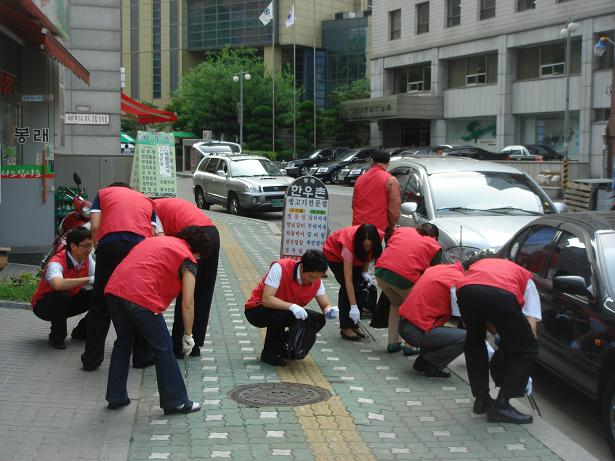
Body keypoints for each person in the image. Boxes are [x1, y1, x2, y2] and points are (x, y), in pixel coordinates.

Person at [104, 226, 209, 414]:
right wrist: (188, 334)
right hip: (141, 297)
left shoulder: (156, 241)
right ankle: (175, 400)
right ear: (198, 250)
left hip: (114, 291)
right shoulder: (188, 259)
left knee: (123, 343)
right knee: (163, 347)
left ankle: (116, 396)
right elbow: (188, 303)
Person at [81, 182, 157, 371]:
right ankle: (142, 356)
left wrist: (97, 246)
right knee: (139, 301)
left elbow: (96, 224)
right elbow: (153, 233)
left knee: (101, 300)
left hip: (110, 247)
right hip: (139, 250)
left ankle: (92, 359)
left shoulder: (103, 194)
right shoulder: (146, 200)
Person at [456, 256, 541, 424]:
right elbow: (530, 324)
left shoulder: (482, 265)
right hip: (500, 293)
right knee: (528, 349)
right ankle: (502, 406)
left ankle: (482, 400)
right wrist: (522, 369)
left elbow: (484, 316)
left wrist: (501, 337)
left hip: (466, 289)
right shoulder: (526, 279)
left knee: (474, 342)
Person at [244, 250, 338, 367]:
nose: (313, 281)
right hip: (257, 310)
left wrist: (329, 311)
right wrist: (292, 306)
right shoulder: (280, 267)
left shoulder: (316, 280)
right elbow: (267, 299)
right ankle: (269, 353)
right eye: (311, 276)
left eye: (317, 278)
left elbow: (324, 305)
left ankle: (282, 345)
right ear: (302, 267)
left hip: (285, 311)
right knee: (279, 315)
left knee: (317, 319)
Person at [153, 197, 220, 358]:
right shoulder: (165, 204)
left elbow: (158, 238)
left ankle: (178, 347)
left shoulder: (151, 210)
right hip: (213, 234)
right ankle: (195, 345)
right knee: (203, 293)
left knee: (186, 292)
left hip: (194, 236)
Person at [374, 223, 442, 354]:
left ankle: (393, 343)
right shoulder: (434, 245)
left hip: (381, 273)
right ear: (434, 236)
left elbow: (391, 249)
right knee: (415, 310)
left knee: (395, 304)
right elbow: (432, 274)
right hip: (404, 278)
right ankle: (410, 345)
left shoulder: (401, 231)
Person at [398, 263, 466, 378]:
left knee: (442, 329)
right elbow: (463, 314)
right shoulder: (458, 280)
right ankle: (428, 363)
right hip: (418, 330)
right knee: (469, 337)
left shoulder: (440, 268)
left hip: (405, 323)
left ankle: (426, 359)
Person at [31, 227, 94, 349]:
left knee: (100, 296)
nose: (90, 249)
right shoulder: (56, 262)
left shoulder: (88, 259)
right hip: (44, 306)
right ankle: (57, 338)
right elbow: (57, 284)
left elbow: (99, 277)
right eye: (86, 246)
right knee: (61, 296)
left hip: (68, 300)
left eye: (91, 245)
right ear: (73, 246)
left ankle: (81, 332)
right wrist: (88, 279)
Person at [323, 224, 384, 341]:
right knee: (347, 288)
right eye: (365, 246)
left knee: (361, 284)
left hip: (355, 255)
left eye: (369, 246)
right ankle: (345, 327)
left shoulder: (377, 237)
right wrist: (353, 307)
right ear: (359, 242)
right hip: (334, 254)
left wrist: (365, 272)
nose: (367, 248)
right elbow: (348, 280)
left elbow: (369, 255)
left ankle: (354, 324)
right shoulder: (349, 244)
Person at [352, 150, 400, 240]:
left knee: (359, 250)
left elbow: (354, 203)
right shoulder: (390, 180)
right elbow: (394, 207)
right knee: (373, 251)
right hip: (377, 227)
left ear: (372, 161)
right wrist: (392, 225)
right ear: (388, 162)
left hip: (358, 225)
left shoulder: (360, 178)